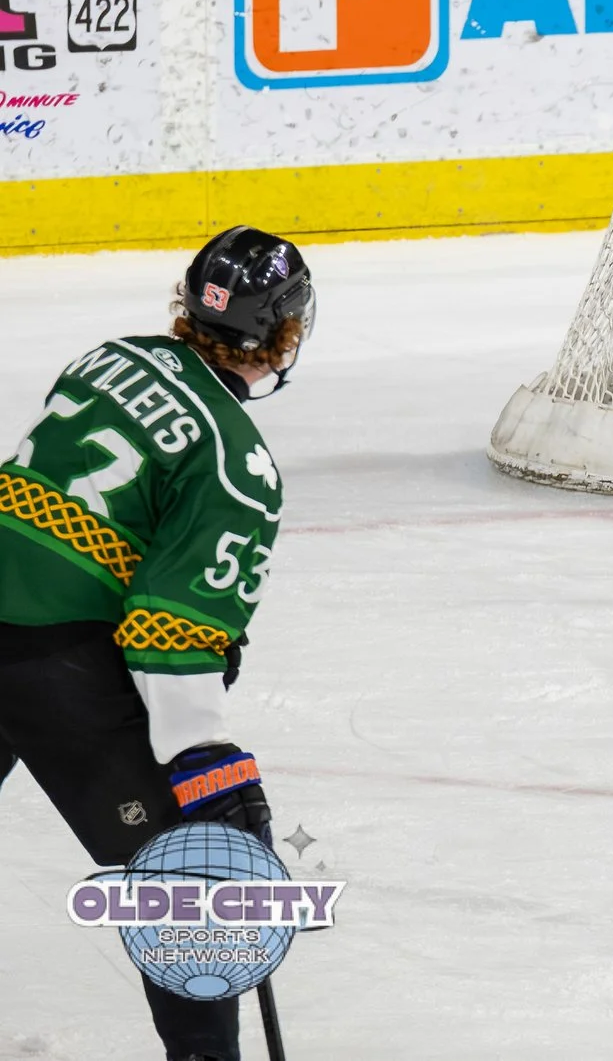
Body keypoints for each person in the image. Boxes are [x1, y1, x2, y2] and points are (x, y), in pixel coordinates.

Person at [0, 227, 310, 1061]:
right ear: (287, 330)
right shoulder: (235, 463)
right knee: (185, 894)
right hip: (46, 662)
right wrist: (207, 760)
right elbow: (172, 634)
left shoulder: (115, 357)